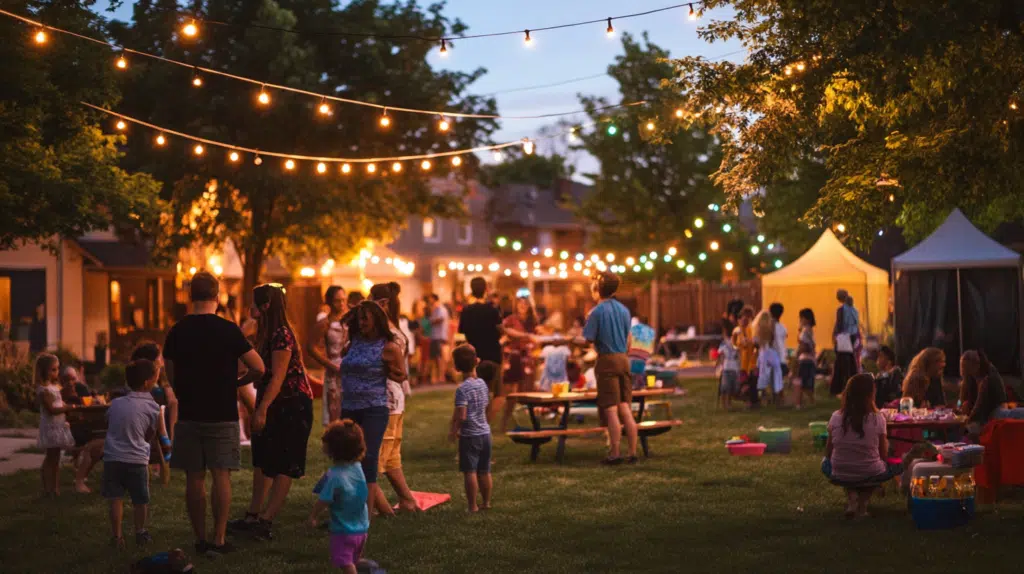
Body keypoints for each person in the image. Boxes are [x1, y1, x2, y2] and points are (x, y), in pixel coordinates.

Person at [163, 270, 266, 557]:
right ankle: (219, 539)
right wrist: (236, 383)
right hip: (222, 413)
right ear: (217, 297)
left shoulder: (177, 330)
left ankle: (200, 538)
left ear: (189, 296)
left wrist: (182, 391)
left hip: (189, 413)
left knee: (194, 478)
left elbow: (169, 372)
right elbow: (258, 367)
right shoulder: (229, 330)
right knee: (222, 475)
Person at [231, 284, 314, 541]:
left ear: (265, 305)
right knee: (264, 458)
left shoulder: (282, 335)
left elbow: (277, 377)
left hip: (292, 402)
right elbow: (259, 373)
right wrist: (233, 382)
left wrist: (261, 410)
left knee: (284, 463)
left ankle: (266, 521)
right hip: (274, 400)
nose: (249, 308)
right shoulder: (265, 333)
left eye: (253, 303)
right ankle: (253, 515)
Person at [340, 301, 408, 521]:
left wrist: (388, 371)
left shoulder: (388, 346)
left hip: (374, 408)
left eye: (365, 319)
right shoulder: (354, 342)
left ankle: (366, 515)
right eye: (359, 319)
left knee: (368, 459)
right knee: (347, 457)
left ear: (377, 320)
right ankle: (350, 508)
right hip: (349, 407)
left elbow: (402, 376)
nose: (361, 323)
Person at [103, 359, 169, 548]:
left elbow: (108, 425)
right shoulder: (153, 408)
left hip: (112, 459)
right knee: (140, 499)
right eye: (155, 379)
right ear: (148, 382)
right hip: (137, 460)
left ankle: (117, 537)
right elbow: (151, 434)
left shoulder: (115, 404)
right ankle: (140, 532)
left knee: (115, 498)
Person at [369, 282, 418, 515]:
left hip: (384, 400)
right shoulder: (397, 330)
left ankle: (382, 509)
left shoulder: (385, 333)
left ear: (382, 304)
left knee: (372, 461)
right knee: (390, 457)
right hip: (396, 399)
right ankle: (407, 500)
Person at [823, 374, 902, 518]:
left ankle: (852, 498)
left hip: (840, 472)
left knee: (829, 463)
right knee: (888, 466)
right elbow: (883, 455)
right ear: (870, 394)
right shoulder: (878, 418)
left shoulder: (835, 416)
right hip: (870, 472)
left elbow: (828, 452)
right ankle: (863, 505)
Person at [583, 271, 639, 465]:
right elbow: (629, 340)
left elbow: (587, 339)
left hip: (607, 360)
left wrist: (568, 341)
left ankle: (615, 453)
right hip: (624, 359)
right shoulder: (624, 310)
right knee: (625, 407)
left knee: (611, 409)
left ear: (599, 289)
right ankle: (632, 452)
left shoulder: (596, 312)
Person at [309, 420, 370, 574]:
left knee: (345, 562)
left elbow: (324, 499)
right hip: (362, 528)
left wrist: (313, 516)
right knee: (354, 558)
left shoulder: (335, 476)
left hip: (343, 530)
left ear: (332, 449)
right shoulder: (358, 468)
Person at [448, 346, 494, 512]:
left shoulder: (462, 389)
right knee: (485, 470)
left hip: (470, 436)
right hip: (485, 433)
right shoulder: (482, 384)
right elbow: (486, 405)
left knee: (470, 471)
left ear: (457, 367)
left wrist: (455, 430)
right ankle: (487, 503)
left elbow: (462, 415)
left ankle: (472, 505)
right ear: (477, 361)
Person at [35, 353, 76, 496]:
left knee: (57, 458)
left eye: (57, 369)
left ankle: (55, 488)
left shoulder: (56, 387)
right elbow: (51, 409)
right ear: (43, 371)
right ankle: (47, 488)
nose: (56, 372)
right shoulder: (43, 390)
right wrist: (67, 408)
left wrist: (67, 404)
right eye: (53, 369)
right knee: (50, 458)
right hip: (51, 426)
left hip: (59, 425)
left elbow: (59, 402)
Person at [308, 285, 348, 427]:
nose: (342, 304)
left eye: (344, 300)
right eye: (338, 301)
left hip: (351, 368)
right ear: (330, 302)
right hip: (334, 368)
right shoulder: (325, 323)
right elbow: (311, 347)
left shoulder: (352, 320)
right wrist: (330, 364)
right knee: (334, 413)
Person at [499, 293, 539, 431]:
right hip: (514, 358)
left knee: (528, 391)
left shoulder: (532, 321)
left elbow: (537, 337)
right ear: (516, 305)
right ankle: (504, 421)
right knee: (511, 392)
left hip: (527, 359)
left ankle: (532, 423)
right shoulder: (510, 319)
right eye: (520, 303)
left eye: (525, 304)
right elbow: (505, 331)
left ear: (529, 306)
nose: (522, 306)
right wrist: (526, 336)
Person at [458, 277, 504, 394]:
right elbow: (500, 329)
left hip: (474, 356)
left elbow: (462, 331)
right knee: (496, 392)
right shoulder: (492, 310)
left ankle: (479, 412)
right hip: (492, 354)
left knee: (475, 392)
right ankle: (488, 413)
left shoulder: (466, 311)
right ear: (486, 289)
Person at [830, 289, 860, 395]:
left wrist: (835, 336)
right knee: (852, 363)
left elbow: (839, 325)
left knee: (840, 364)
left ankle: (839, 387)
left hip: (844, 338)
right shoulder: (855, 310)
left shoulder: (841, 310)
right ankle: (854, 386)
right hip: (853, 338)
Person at [753, 309, 782, 408]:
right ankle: (777, 399)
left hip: (763, 355)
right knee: (776, 377)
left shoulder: (757, 331)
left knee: (763, 378)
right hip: (772, 354)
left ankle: (764, 399)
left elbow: (756, 344)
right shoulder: (771, 329)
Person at [423, 294, 451, 384]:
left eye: (430, 299)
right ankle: (437, 377)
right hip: (435, 336)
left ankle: (441, 377)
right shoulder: (436, 309)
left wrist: (430, 321)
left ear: (434, 299)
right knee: (435, 357)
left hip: (439, 336)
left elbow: (440, 319)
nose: (429, 302)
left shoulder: (440, 309)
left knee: (439, 357)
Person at [732, 306, 757, 400]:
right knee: (744, 383)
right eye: (743, 317)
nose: (745, 319)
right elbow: (735, 344)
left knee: (751, 382)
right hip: (741, 363)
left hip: (751, 363)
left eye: (748, 317)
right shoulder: (737, 331)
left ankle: (751, 400)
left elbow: (752, 343)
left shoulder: (752, 330)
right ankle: (746, 398)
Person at [796, 308, 817, 409]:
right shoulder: (810, 330)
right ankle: (812, 401)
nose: (800, 320)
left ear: (807, 319)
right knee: (809, 383)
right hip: (811, 360)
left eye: (801, 318)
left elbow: (803, 346)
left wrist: (796, 355)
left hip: (804, 359)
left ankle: (799, 404)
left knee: (800, 382)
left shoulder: (805, 331)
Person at [717, 333, 740, 410]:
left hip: (734, 368)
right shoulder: (724, 343)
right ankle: (724, 404)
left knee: (731, 387)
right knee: (725, 387)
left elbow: (738, 355)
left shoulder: (737, 343)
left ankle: (729, 403)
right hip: (726, 368)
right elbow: (721, 355)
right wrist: (720, 366)